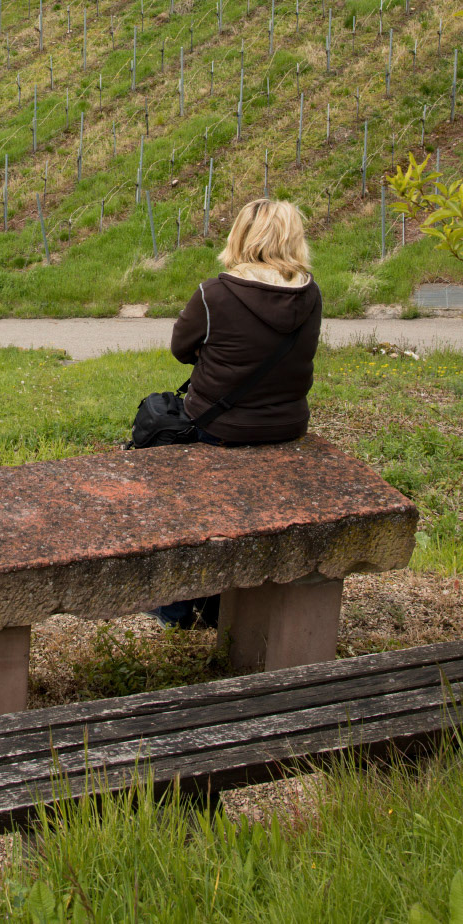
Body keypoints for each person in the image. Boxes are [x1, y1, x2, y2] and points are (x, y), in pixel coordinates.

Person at [153, 197, 323, 629]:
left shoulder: (215, 294)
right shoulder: (310, 294)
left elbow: (180, 349)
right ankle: (226, 604)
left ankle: (177, 609)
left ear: (241, 236)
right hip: (288, 424)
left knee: (188, 505)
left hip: (221, 425)